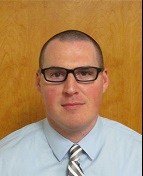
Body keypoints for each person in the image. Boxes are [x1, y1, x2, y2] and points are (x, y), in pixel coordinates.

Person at [0, 30, 142, 176]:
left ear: (104, 81)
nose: (70, 89)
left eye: (85, 73)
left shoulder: (138, 156)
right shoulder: (4, 160)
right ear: (38, 82)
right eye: (56, 74)